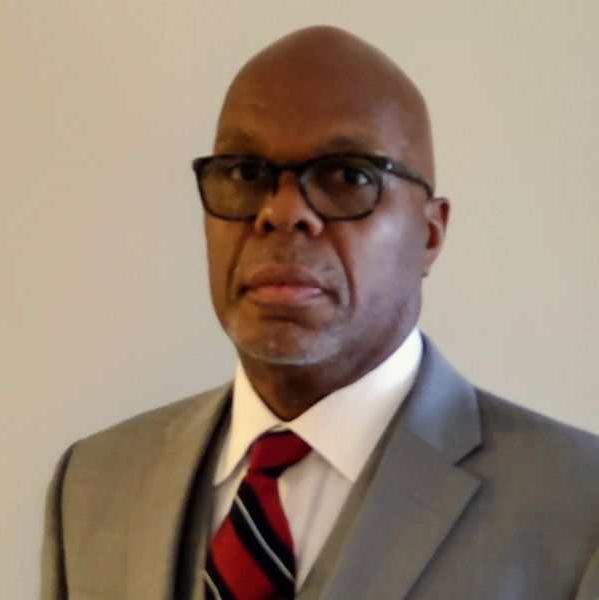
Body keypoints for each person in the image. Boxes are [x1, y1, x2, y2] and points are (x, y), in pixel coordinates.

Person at [41, 26, 599, 600]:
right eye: (246, 173)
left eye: (348, 176)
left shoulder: (581, 508)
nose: (283, 212)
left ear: (430, 234)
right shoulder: (92, 484)